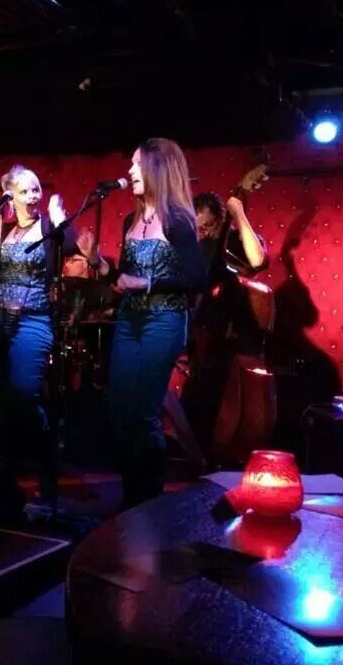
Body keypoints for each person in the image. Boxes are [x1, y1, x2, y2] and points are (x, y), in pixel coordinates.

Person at [0, 165, 97, 504]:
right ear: (10, 197)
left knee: (24, 391)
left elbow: (73, 245)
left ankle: (47, 463)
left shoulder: (48, 228)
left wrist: (59, 218)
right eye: (25, 191)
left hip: (33, 319)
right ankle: (2, 473)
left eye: (36, 190)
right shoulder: (3, 231)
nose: (33, 196)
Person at [92, 138, 207, 508]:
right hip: (130, 319)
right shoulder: (130, 220)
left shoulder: (178, 221)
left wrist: (148, 283)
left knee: (143, 412)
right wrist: (99, 264)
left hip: (164, 320)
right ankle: (132, 496)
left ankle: (149, 502)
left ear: (158, 168)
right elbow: (124, 280)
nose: (129, 171)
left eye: (136, 164)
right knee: (120, 407)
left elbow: (197, 277)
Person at [182, 191, 270, 461]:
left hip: (233, 340)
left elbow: (257, 261)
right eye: (198, 228)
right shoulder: (198, 249)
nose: (204, 234)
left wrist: (239, 213)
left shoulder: (235, 241)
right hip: (203, 341)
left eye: (208, 226)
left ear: (221, 219)